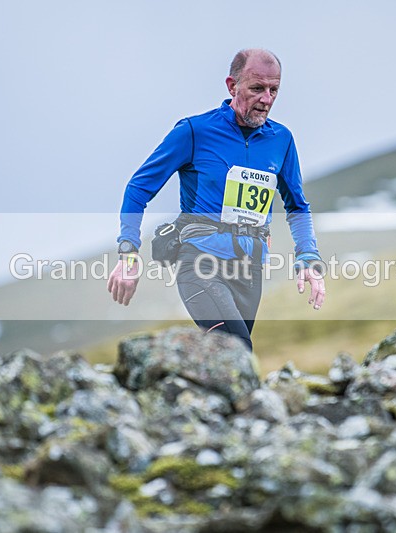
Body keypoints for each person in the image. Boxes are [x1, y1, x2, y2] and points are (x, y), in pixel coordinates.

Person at [107, 48, 325, 350]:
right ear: (232, 86)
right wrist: (128, 252)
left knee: (229, 357)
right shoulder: (195, 131)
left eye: (274, 90)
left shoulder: (282, 140)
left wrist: (308, 257)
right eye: (257, 88)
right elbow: (138, 188)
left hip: (250, 270)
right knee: (239, 351)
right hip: (200, 262)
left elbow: (297, 206)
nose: (266, 99)